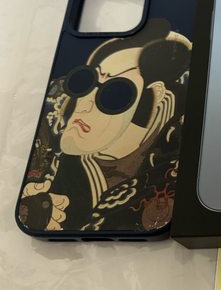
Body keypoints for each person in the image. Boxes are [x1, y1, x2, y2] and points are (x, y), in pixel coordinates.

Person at [18, 19, 190, 232]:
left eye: (115, 93)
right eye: (88, 82)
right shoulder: (51, 130)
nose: (86, 105)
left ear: (154, 99)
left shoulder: (168, 161)